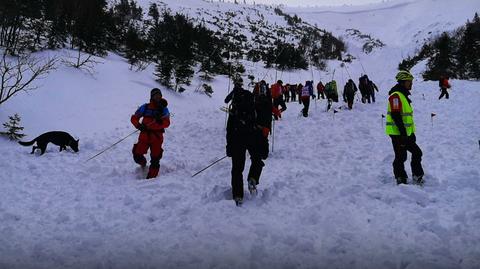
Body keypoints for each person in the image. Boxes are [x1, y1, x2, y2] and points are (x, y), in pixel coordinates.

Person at [226, 82, 272, 206]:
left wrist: (228, 146)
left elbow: (229, 128)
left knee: (237, 169)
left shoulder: (235, 106)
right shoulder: (253, 104)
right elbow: (262, 121)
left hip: (237, 139)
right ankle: (253, 178)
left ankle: (238, 195)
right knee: (257, 160)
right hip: (252, 137)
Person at [385, 70, 424, 185]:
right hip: (398, 134)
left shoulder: (403, 95)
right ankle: (401, 178)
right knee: (401, 156)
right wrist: (403, 134)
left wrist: (411, 133)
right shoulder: (396, 96)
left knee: (416, 153)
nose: (411, 83)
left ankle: (416, 175)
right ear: (402, 82)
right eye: (409, 81)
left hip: (406, 134)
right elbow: (396, 115)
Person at [131, 88, 171, 179]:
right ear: (151, 96)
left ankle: (151, 180)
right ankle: (143, 163)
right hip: (144, 135)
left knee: (155, 159)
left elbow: (167, 123)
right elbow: (134, 117)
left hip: (157, 137)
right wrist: (138, 125)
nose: (158, 97)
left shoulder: (164, 109)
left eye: (159, 95)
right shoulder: (145, 107)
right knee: (137, 154)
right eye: (155, 95)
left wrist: (160, 122)